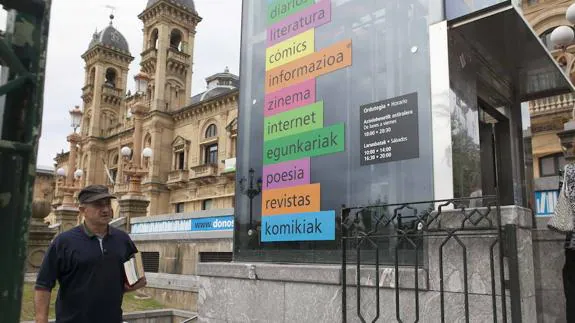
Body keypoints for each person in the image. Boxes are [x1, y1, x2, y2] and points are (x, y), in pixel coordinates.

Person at [34, 185, 147, 323]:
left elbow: (140, 277)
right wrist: (41, 319)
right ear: (83, 210)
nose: (106, 209)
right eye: (98, 205)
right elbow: (43, 285)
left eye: (107, 203)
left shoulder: (123, 239)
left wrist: (125, 286)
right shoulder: (63, 242)